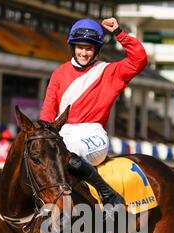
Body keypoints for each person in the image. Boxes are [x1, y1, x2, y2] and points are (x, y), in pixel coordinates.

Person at [40, 17, 148, 216]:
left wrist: (119, 33)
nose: (84, 52)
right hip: (63, 133)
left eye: (89, 48)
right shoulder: (59, 73)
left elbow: (139, 59)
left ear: (96, 50)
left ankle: (109, 195)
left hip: (94, 134)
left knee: (67, 153)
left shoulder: (109, 72)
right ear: (73, 47)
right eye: (80, 47)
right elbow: (48, 111)